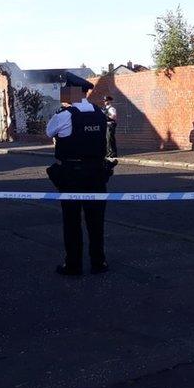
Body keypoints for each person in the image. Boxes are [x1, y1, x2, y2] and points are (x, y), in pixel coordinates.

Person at [45, 73, 112, 276]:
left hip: (72, 174)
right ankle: (98, 262)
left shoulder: (64, 115)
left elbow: (49, 132)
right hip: (97, 172)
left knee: (72, 220)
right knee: (96, 220)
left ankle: (73, 264)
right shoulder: (100, 113)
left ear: (72, 92)